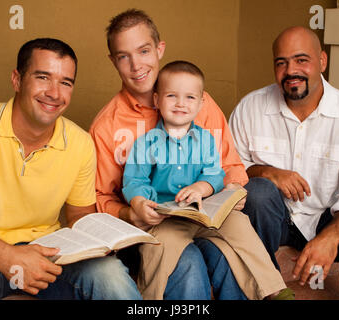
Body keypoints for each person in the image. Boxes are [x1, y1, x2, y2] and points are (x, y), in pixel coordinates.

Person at [0, 38, 141, 300]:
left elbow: (79, 213)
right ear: (17, 79)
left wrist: (98, 241)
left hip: (45, 253)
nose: (55, 93)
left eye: (65, 82)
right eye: (43, 77)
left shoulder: (80, 143)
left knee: (109, 273)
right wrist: (5, 254)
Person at [89, 9, 252, 299]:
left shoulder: (200, 104)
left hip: (203, 217)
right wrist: (131, 212)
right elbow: (100, 198)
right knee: (186, 263)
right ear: (113, 61)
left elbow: (230, 166)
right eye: (124, 56)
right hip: (148, 229)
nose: (136, 64)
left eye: (143, 50)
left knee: (229, 253)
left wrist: (232, 191)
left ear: (159, 49)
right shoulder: (106, 126)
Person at [229, 26, 339, 300]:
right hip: (272, 220)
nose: (291, 70)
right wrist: (267, 172)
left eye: (301, 60)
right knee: (258, 191)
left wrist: (330, 237)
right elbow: (228, 169)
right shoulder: (250, 108)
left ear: (322, 61)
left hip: (326, 218)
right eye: (282, 62)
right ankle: (261, 289)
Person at [122, 60, 292, 300]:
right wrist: (140, 202)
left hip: (205, 214)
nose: (181, 104)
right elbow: (135, 180)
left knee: (240, 225)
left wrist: (200, 189)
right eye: (172, 96)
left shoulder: (206, 140)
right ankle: (151, 298)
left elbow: (214, 174)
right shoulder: (146, 143)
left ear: (201, 103)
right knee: (159, 248)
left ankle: (274, 289)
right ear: (157, 100)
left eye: (190, 97)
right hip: (167, 219)